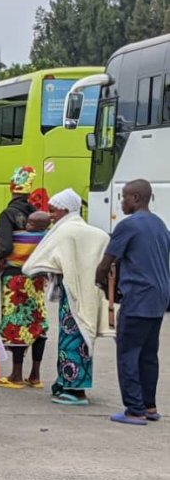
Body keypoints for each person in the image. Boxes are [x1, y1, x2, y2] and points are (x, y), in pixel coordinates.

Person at [23, 189, 111, 406]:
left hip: (71, 296)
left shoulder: (65, 231)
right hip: (88, 295)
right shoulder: (93, 232)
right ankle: (66, 382)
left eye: (53, 210)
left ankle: (75, 391)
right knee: (81, 338)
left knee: (70, 341)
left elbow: (34, 264)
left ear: (65, 209)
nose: (51, 215)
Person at [96, 179, 170, 425]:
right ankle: (149, 406)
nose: (121, 202)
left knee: (128, 353)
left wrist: (99, 284)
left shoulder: (127, 225)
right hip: (158, 298)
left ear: (136, 198)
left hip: (137, 297)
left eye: (124, 197)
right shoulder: (159, 224)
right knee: (148, 355)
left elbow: (106, 263)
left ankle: (134, 409)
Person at [0, 166, 48, 389]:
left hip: (15, 279)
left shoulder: (8, 214)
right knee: (37, 322)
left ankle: (16, 375)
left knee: (17, 323)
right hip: (36, 278)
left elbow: (6, 246)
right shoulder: (36, 213)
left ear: (11, 188)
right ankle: (35, 375)